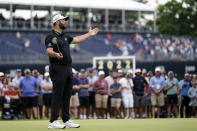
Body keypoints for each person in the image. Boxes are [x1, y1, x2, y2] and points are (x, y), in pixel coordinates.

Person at [45, 14, 99, 129]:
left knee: (67, 95)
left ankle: (66, 119)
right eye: (63, 20)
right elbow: (49, 51)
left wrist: (89, 34)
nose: (65, 22)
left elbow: (77, 40)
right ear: (57, 22)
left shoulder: (64, 35)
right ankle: (53, 121)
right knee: (57, 95)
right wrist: (55, 54)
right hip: (57, 67)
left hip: (68, 68)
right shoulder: (51, 36)